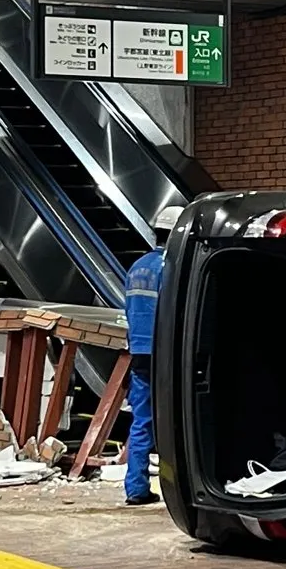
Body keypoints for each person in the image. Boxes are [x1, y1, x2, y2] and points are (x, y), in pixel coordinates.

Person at [122, 206, 182, 506]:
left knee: (141, 421)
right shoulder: (170, 268)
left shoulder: (136, 267)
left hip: (138, 354)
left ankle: (136, 487)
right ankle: (179, 492)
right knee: (177, 421)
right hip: (165, 356)